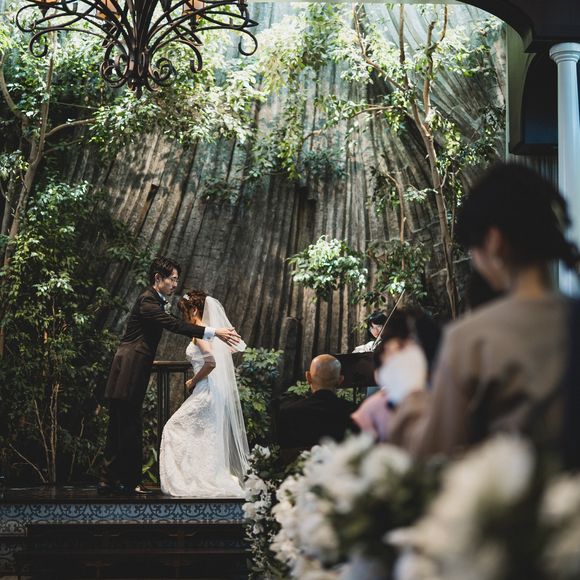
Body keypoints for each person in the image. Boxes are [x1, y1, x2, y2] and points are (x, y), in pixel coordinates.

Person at [390, 163, 579, 458]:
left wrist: (411, 395)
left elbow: (431, 452)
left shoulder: (471, 339)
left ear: (493, 241)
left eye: (472, 248)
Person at [98, 257, 240, 495]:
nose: (175, 284)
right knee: (128, 424)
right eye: (172, 279)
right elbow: (175, 325)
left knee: (120, 424)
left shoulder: (152, 300)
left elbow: (170, 324)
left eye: (176, 279)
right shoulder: (147, 301)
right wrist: (214, 331)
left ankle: (108, 480)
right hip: (130, 369)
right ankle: (129, 482)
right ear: (158, 278)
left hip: (127, 369)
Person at [160, 290, 249, 497]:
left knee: (172, 427)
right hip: (212, 391)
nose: (184, 318)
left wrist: (193, 381)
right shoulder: (210, 332)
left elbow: (211, 362)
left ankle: (194, 479)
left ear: (193, 310)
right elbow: (233, 348)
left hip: (206, 389)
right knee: (205, 434)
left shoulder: (199, 332)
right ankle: (204, 475)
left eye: (184, 313)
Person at [352, 311, 428, 441]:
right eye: (372, 327)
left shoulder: (395, 347)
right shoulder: (373, 345)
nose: (375, 331)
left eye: (379, 326)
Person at [277, 355, 358, 455]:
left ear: (308, 377)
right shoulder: (354, 412)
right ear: (340, 380)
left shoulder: (288, 413)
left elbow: (284, 455)